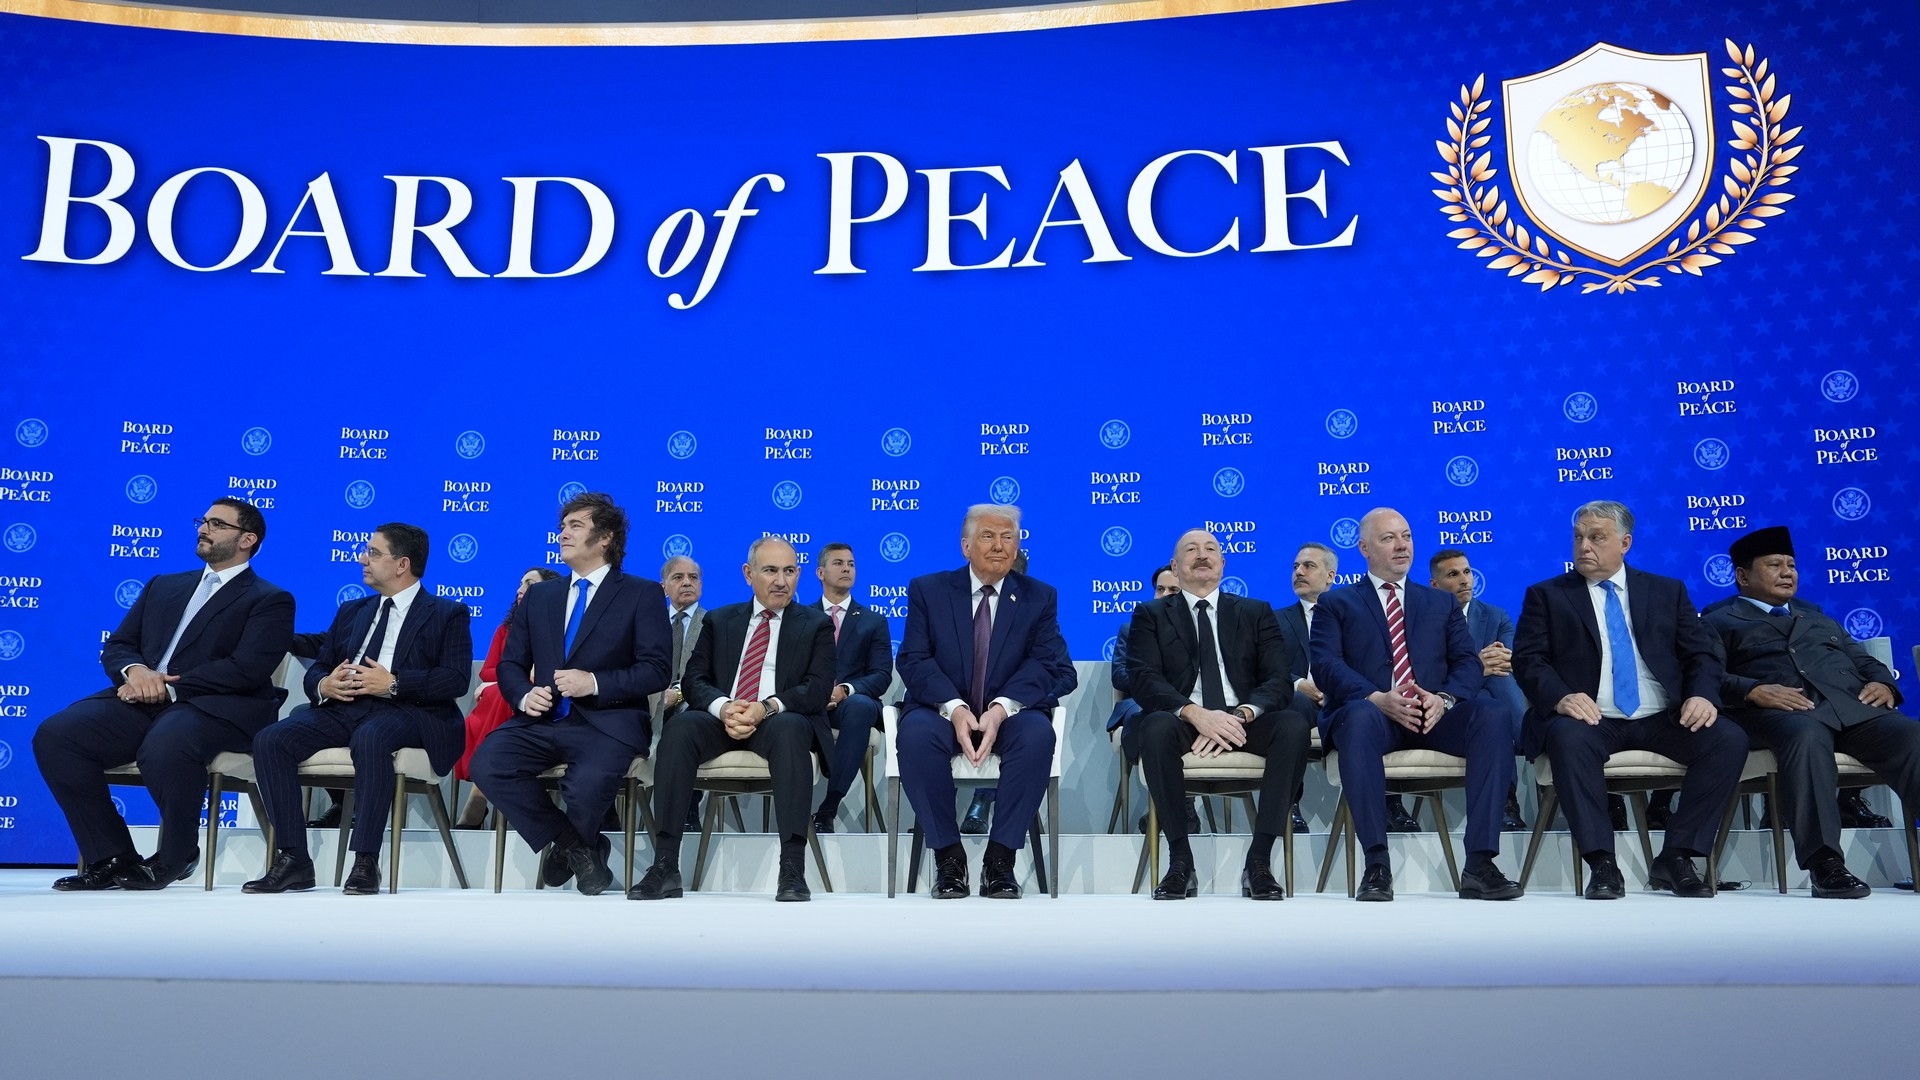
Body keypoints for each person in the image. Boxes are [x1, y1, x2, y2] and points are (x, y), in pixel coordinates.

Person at [35, 498, 293, 890]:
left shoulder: (269, 598)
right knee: (58, 735)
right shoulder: (164, 585)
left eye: (217, 524)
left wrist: (168, 685)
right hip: (144, 698)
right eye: (203, 521)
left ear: (247, 539)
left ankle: (177, 853)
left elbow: (247, 668)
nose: (203, 529)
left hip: (218, 707)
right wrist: (135, 672)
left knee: (167, 742)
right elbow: (120, 644)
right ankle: (111, 856)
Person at [1511, 501, 1745, 899]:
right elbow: (1529, 660)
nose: (1584, 546)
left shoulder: (1667, 591)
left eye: (1596, 537)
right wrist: (1561, 697)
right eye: (1578, 537)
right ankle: (1602, 862)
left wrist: (1703, 696)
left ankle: (1677, 857)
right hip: (1591, 717)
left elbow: (1701, 655)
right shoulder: (1547, 595)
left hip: (1662, 717)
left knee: (1728, 738)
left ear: (1625, 543)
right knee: (1568, 739)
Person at [243, 523, 474, 894]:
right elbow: (321, 664)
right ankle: (294, 859)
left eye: (373, 553)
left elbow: (455, 679)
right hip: (345, 707)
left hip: (409, 711)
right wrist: (323, 684)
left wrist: (393, 683)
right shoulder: (352, 610)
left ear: (402, 564)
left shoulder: (447, 612)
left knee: (371, 737)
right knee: (271, 740)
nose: (362, 559)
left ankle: (366, 860)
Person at [1310, 507, 1522, 901]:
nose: (1401, 545)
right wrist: (1376, 697)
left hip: (1434, 716)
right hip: (1374, 716)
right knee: (1357, 717)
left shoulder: (1441, 603)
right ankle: (1377, 864)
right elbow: (1325, 665)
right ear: (1364, 548)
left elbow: (1467, 662)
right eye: (1388, 538)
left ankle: (1480, 863)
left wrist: (1444, 699)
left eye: (1406, 536)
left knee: (1492, 713)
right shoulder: (1336, 603)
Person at [468, 492, 671, 896]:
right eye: (562, 526)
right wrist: (523, 696)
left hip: (608, 722)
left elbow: (657, 669)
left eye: (575, 526)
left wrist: (593, 682)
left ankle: (570, 849)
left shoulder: (641, 593)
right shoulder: (541, 596)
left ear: (606, 537)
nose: (563, 534)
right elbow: (510, 664)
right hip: (541, 720)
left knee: (586, 786)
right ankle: (576, 846)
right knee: (487, 763)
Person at [1701, 525, 1920, 898]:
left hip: (1850, 709)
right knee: (1806, 735)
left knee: (1910, 734)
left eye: (1791, 565)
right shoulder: (1718, 621)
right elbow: (1706, 676)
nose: (1788, 572)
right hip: (1778, 714)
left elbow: (1863, 661)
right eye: (1775, 565)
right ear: (1742, 576)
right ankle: (1825, 864)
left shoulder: (1817, 616)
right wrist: (1752, 689)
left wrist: (1885, 684)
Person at [634, 537, 836, 902]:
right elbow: (694, 680)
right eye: (770, 570)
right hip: (722, 716)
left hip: (778, 718)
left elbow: (817, 688)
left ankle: (792, 867)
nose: (781, 581)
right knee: (679, 729)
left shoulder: (816, 624)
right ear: (748, 574)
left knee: (792, 729)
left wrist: (766, 707)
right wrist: (724, 707)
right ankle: (665, 864)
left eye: (789, 571)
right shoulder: (720, 619)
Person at [896, 504, 1075, 899]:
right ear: (966, 546)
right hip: (941, 710)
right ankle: (948, 857)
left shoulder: (1039, 596)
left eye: (1008, 537)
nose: (999, 545)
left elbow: (1044, 663)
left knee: (1037, 736)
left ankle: (1000, 859)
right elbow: (914, 658)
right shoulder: (929, 590)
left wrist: (1001, 708)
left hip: (1009, 714)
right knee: (915, 736)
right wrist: (955, 707)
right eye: (988, 536)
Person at [1129, 529, 1312, 900]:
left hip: (1244, 722)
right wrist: (1197, 715)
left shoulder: (1255, 611)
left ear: (1223, 564)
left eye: (1210, 548)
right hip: (1185, 721)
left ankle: (1259, 861)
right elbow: (1144, 679)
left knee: (1293, 725)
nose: (1202, 554)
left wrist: (1240, 715)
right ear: (1175, 566)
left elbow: (1278, 680)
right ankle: (1181, 862)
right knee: (1155, 727)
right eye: (1191, 549)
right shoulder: (1151, 614)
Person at [1429, 548, 1529, 829]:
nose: (1464, 580)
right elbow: (1434, 672)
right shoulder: (1425, 620)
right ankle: (1528, 740)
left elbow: (1506, 659)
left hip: (1489, 697)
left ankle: (1506, 800)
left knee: (1495, 691)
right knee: (1494, 697)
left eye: (1467, 572)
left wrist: (1477, 668)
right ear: (1434, 584)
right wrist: (1477, 666)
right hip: (1450, 702)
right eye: (1453, 574)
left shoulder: (1496, 616)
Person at [453, 567, 561, 828]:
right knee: (502, 693)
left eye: (529, 583)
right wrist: (515, 676)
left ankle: (478, 796)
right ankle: (483, 788)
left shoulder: (562, 629)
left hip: (544, 703)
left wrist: (522, 677)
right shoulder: (506, 629)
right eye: (520, 583)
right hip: (506, 699)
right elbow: (489, 670)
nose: (520, 589)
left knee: (501, 694)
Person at [809, 542, 894, 833]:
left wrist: (845, 690)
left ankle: (828, 807)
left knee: (860, 707)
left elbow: (881, 675)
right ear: (820, 572)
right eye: (838, 563)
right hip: (811, 704)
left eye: (851, 564)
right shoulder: (801, 617)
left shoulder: (873, 621)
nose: (846, 568)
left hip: (851, 705)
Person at [656, 554, 708, 831]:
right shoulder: (648, 624)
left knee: (689, 720)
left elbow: (710, 676)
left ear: (700, 585)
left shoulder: (714, 624)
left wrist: (676, 695)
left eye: (693, 577)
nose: (687, 582)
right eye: (678, 577)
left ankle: (688, 811)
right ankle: (610, 813)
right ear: (663, 586)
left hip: (693, 700)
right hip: (650, 698)